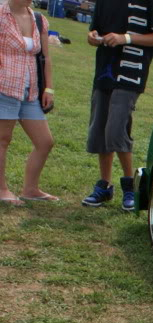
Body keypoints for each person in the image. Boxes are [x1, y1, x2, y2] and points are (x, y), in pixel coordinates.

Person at [81, 0, 153, 210]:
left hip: (131, 73)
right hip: (104, 71)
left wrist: (126, 38)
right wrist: (92, 36)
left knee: (116, 129)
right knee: (100, 129)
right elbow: (94, 29)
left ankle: (130, 187)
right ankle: (104, 186)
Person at [0, 0, 57, 205]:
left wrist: (48, 88)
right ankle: (1, 189)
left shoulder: (39, 20)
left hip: (30, 90)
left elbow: (46, 58)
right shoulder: (1, 14)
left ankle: (30, 189)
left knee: (45, 142)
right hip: (4, 87)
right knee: (3, 139)